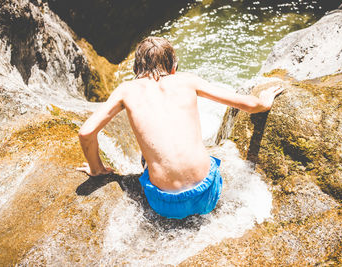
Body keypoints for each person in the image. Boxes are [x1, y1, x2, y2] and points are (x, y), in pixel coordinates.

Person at [77, 36, 283, 219]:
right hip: (207, 195)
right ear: (173, 67)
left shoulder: (126, 91)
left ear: (136, 70)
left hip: (164, 204)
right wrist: (264, 102)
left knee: (147, 155)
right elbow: (245, 104)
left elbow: (86, 132)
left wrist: (97, 170)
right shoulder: (187, 80)